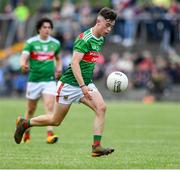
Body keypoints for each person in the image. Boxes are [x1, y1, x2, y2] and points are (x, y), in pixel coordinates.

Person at [14, 7, 117, 157]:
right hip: (69, 85)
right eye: (107, 25)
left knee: (101, 108)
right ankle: (25, 124)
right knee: (55, 121)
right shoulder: (84, 38)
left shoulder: (100, 38)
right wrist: (82, 86)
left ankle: (96, 146)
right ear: (98, 21)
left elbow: (87, 62)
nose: (108, 30)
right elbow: (75, 63)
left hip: (86, 83)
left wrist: (85, 84)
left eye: (111, 27)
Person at [19, 17, 62, 144]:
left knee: (49, 107)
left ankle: (50, 134)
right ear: (39, 29)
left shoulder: (55, 43)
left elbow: (58, 58)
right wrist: (23, 65)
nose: (47, 29)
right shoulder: (31, 42)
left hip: (49, 81)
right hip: (34, 80)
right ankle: (26, 132)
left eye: (49, 27)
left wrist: (59, 69)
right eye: (44, 27)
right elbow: (24, 56)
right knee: (31, 110)